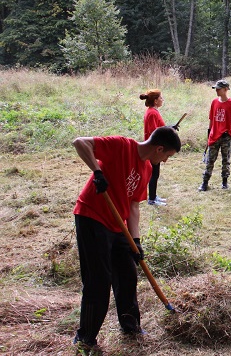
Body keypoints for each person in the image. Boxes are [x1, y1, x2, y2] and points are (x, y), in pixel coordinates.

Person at [72, 126, 181, 353]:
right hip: (92, 216)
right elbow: (79, 142)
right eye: (167, 156)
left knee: (128, 275)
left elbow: (133, 206)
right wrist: (97, 172)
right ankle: (85, 337)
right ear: (159, 148)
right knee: (98, 280)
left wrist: (136, 240)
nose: (166, 161)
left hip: (117, 224)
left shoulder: (147, 169)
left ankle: (131, 327)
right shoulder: (122, 146)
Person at [199, 80, 231, 191]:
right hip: (214, 135)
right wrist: (209, 130)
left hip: (226, 136)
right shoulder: (214, 102)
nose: (217, 91)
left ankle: (224, 182)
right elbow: (211, 118)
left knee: (225, 160)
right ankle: (205, 183)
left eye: (219, 89)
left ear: (226, 89)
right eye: (216, 89)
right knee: (210, 160)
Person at [139, 89, 167, 206]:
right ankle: (151, 199)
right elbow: (153, 132)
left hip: (156, 148)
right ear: (155, 101)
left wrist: (169, 129)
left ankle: (153, 196)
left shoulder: (153, 111)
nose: (162, 100)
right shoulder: (152, 113)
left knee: (155, 172)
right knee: (153, 173)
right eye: (160, 98)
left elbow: (159, 128)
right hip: (154, 148)